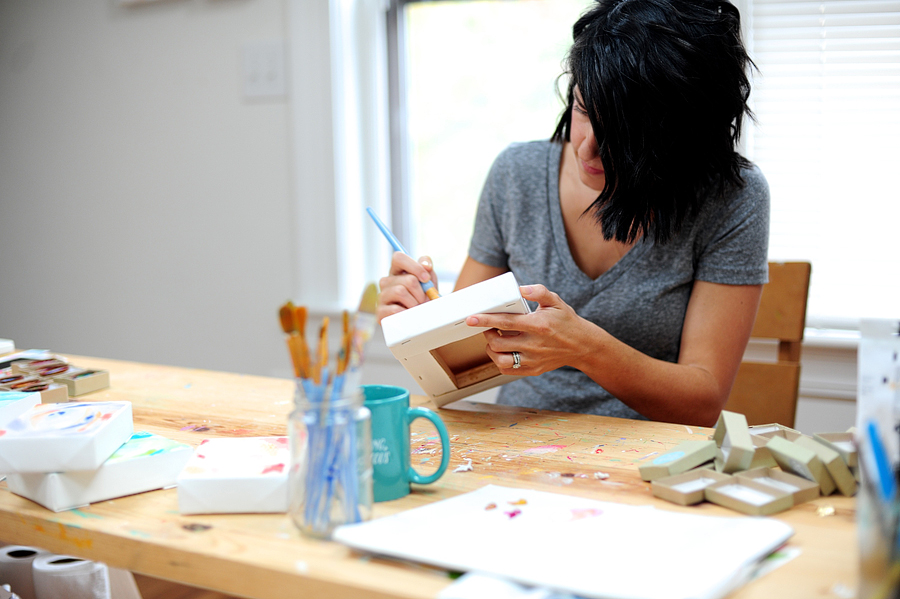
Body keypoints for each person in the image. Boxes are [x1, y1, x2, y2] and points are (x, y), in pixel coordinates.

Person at [376, 0, 769, 427]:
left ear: (680, 133)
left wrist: (586, 348)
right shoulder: (516, 175)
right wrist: (421, 320)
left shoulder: (732, 197)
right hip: (516, 438)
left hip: (648, 456)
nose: (586, 147)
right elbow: (466, 360)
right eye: (583, 108)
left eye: (622, 134)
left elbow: (703, 401)